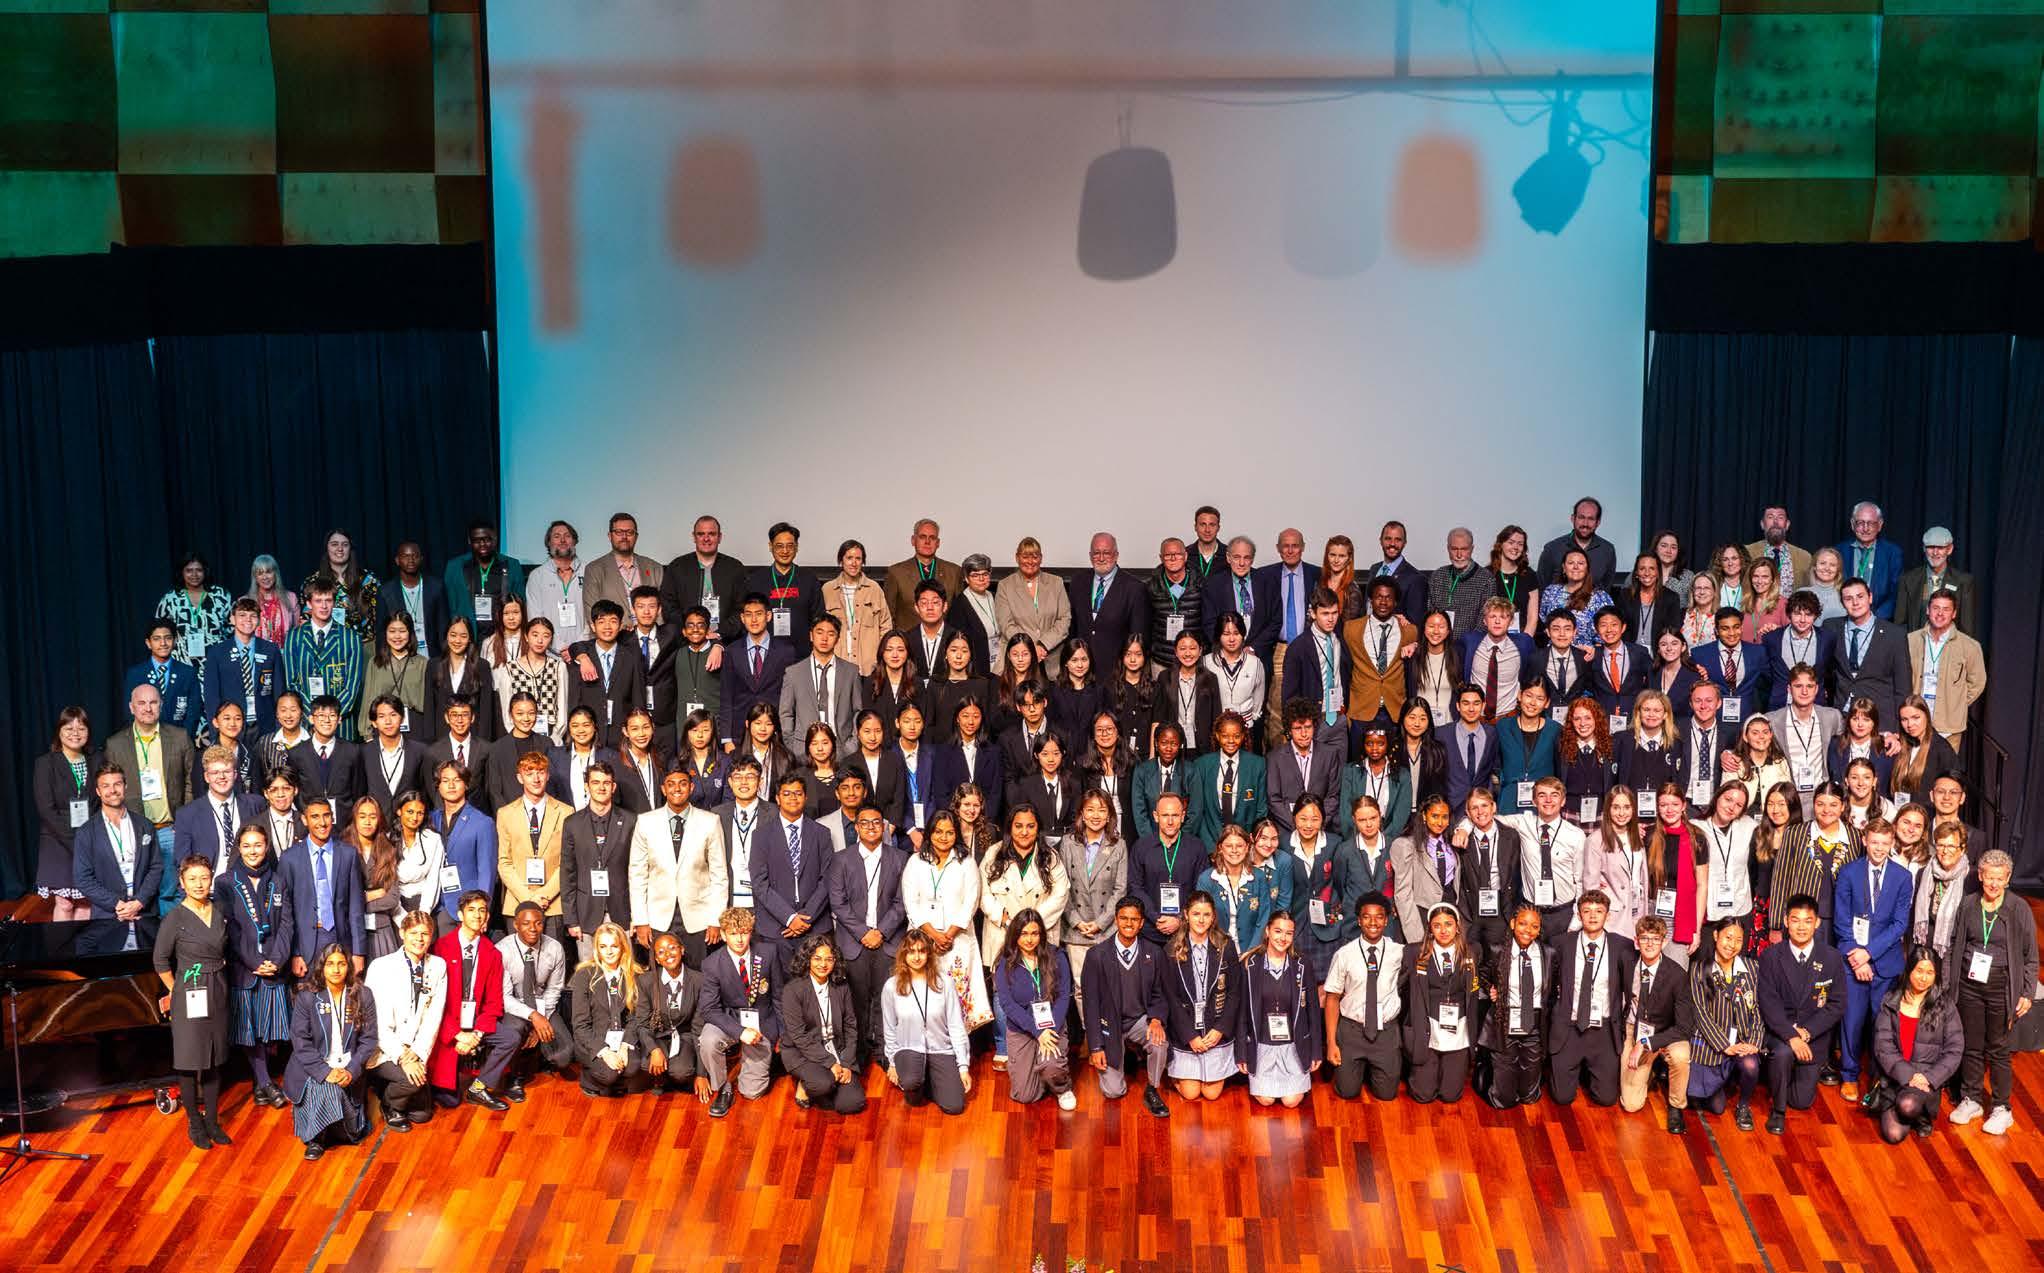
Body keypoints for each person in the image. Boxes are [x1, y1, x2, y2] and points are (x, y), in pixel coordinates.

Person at [1947, 850, 2037, 1136]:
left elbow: (2030, 955)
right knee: (1971, 1045)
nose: (1994, 884)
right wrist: (1951, 983)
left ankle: (2001, 1108)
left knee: (1998, 1048)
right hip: (1969, 985)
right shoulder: (1969, 904)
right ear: (1981, 876)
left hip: (2002, 986)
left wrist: (2027, 992)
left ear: (2008, 878)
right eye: (1989, 878)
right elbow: (1955, 944)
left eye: (2000, 878)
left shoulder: (2018, 908)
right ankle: (1971, 1099)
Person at [154, 855, 234, 1150]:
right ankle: (194, 1123)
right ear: (182, 883)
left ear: (211, 878)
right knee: (189, 1062)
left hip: (218, 989)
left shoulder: (220, 910)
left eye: (204, 878)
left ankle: (212, 1121)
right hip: (190, 993)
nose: (199, 884)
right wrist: (176, 990)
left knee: (214, 1060)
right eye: (192, 879)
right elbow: (160, 960)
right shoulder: (174, 919)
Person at [1831, 818, 1913, 1102]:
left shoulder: (1903, 877)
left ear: (1892, 844)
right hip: (1852, 961)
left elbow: (1900, 924)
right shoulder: (1848, 873)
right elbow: (1841, 921)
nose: (1879, 848)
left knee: (1882, 1024)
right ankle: (1849, 1076)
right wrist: (1858, 957)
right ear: (1865, 841)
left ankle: (1879, 1078)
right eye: (1874, 842)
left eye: (1884, 843)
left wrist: (1869, 953)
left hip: (1885, 963)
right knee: (1852, 1021)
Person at [828, 803, 908, 1069]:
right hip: (854, 943)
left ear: (883, 826)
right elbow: (838, 903)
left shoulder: (900, 858)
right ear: (856, 827)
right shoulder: (841, 859)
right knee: (856, 1001)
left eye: (876, 822)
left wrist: (881, 932)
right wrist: (864, 933)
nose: (871, 827)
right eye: (864, 823)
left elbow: (902, 902)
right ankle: (857, 1053)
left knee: (886, 1000)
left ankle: (886, 1052)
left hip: (888, 941)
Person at [1757, 893, 1845, 1134]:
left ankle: (1778, 1076)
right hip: (1781, 1032)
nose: (1801, 927)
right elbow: (1768, 1003)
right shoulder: (1771, 956)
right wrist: (1791, 1036)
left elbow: (1836, 1004)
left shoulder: (1832, 958)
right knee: (1783, 1053)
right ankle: (1778, 1111)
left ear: (1817, 923)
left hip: (1812, 1037)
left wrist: (1807, 1032)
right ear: (1786, 921)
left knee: (1802, 1101)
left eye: (1808, 921)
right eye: (1795, 920)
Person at [902, 811, 995, 1034]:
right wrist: (934, 935)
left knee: (958, 1000)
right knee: (924, 998)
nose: (943, 837)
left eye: (950, 832)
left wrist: (948, 935)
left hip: (958, 940)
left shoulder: (967, 862)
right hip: (923, 941)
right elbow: (910, 902)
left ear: (957, 834)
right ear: (930, 833)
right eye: (938, 832)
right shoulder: (915, 862)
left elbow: (971, 902)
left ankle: (958, 1049)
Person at [285, 941, 378, 1160]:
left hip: (348, 1068)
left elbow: (369, 1039)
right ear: (322, 967)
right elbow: (300, 1041)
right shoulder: (307, 996)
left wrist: (352, 1071)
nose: (336, 969)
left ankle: (328, 1131)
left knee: (351, 1129)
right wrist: (325, 1072)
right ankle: (317, 1139)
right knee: (327, 1088)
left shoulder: (363, 995)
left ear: (349, 967)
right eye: (330, 964)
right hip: (314, 1068)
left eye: (341, 964)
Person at [108, 682, 195, 912]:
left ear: (161, 705)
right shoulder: (115, 744)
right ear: (131, 707)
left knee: (171, 891)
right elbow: (111, 788)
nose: (148, 708)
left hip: (170, 829)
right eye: (142, 703)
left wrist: (183, 821)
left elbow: (191, 780)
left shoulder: (179, 737)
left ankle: (171, 933)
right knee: (137, 893)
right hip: (133, 830)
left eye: (153, 702)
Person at [1547, 890, 1633, 1106]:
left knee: (1606, 1099)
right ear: (1578, 915)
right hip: (1570, 1027)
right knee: (1562, 1097)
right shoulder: (1561, 943)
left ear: (1608, 916)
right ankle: (1576, 1068)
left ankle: (1589, 1070)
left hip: (1603, 1029)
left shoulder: (1622, 946)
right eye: (1587, 911)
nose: (1593, 916)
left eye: (1599, 911)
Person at [429, 890, 513, 1109]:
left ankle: (479, 1088)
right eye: (471, 910)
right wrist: (457, 1035)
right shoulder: (440, 948)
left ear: (487, 916)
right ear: (460, 914)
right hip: (447, 1022)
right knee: (449, 1102)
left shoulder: (492, 953)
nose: (477, 915)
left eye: (482, 910)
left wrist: (476, 1035)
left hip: (475, 1021)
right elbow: (433, 1004)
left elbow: (494, 1002)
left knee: (510, 1038)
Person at [1869, 947, 1963, 1142]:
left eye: (1930, 973)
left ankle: (1920, 1115)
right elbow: (1883, 1046)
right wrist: (1908, 1075)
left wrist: (1928, 1078)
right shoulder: (1891, 1001)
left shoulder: (1945, 1006)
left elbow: (1954, 1050)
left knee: (1908, 1105)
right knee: (1893, 1135)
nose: (1923, 978)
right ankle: (1912, 1113)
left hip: (1925, 1080)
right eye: (1919, 971)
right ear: (1909, 970)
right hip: (1895, 1076)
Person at [363, 910, 445, 1130]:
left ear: (431, 937)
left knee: (422, 1114)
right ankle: (389, 1104)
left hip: (415, 1050)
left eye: (425, 934)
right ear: (402, 933)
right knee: (410, 1082)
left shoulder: (438, 966)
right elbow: (376, 1024)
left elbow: (433, 1017)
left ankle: (389, 1089)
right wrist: (402, 1056)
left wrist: (417, 1052)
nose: (419, 939)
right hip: (385, 1048)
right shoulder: (381, 966)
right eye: (414, 933)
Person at [1322, 892, 1406, 1101]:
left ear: (1386, 920)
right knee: (1347, 1092)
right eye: (1367, 917)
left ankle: (1372, 1069)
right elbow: (1332, 998)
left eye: (1379, 917)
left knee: (1387, 1094)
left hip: (1385, 1032)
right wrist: (1331, 1043)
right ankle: (1357, 1070)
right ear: (1359, 920)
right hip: (1352, 1030)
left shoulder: (1399, 953)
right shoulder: (1344, 954)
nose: (1373, 922)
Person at [698, 907, 783, 1114]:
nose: (739, 939)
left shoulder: (768, 953)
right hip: (731, 1021)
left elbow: (779, 996)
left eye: (744, 932)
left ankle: (755, 1061)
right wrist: (740, 1032)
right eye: (733, 933)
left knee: (752, 1092)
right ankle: (723, 1087)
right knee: (708, 1040)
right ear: (723, 934)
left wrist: (782, 1033)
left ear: (751, 932)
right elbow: (709, 1009)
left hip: (763, 1022)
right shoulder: (712, 964)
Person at [1232, 912, 1321, 1107]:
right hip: (1262, 1046)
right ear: (1267, 931)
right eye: (1278, 931)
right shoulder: (1249, 964)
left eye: (1289, 933)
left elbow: (1313, 1011)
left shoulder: (1303, 964)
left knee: (1291, 1102)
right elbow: (1241, 1014)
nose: (1283, 938)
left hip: (1293, 1046)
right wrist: (1241, 1053)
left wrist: (1316, 1051)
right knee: (1266, 1100)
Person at [487, 900, 574, 1097]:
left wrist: (540, 1017)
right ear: (516, 925)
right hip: (514, 1006)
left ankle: (540, 1057)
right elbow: (504, 996)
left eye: (538, 923)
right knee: (515, 1030)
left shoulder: (554, 948)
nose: (533, 928)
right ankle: (514, 1076)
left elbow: (554, 989)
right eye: (526, 923)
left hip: (543, 1004)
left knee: (564, 1056)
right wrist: (533, 1016)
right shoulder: (502, 950)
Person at [990, 910, 1075, 1109]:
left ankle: (1062, 1087)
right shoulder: (1005, 962)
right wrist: (1037, 1032)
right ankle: (1042, 1072)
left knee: (1051, 1066)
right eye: (1024, 934)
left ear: (1041, 934)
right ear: (1015, 935)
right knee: (1025, 1095)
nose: (1029, 939)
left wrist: (1049, 1030)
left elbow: (1064, 996)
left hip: (1051, 1025)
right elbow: (1007, 1004)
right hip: (1022, 1029)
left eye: (1034, 933)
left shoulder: (1057, 956)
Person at [882, 930, 974, 1115]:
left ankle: (932, 1082)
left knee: (954, 1106)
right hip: (909, 1049)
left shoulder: (945, 983)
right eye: (911, 951)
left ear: (929, 953)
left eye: (922, 951)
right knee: (912, 1090)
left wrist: (963, 1067)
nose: (916, 957)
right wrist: (892, 1062)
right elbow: (890, 1028)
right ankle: (919, 1081)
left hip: (940, 1049)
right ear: (903, 954)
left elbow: (956, 1026)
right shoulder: (891, 986)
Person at [1160, 892, 1240, 1102]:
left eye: (1206, 914)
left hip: (1215, 1029)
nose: (1201, 920)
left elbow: (1234, 993)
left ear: (1213, 917)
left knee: (1212, 1094)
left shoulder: (1226, 946)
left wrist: (1220, 1029)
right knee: (1191, 1093)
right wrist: (1190, 1036)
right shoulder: (1171, 949)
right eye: (1196, 914)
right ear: (1186, 915)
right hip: (1187, 1031)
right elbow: (1171, 999)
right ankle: (1176, 1074)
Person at [1619, 915, 1696, 1132]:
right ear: (1636, 941)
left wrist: (1646, 1043)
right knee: (1631, 1105)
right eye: (1645, 938)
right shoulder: (1627, 964)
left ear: (1664, 942)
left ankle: (1676, 1105)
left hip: (1667, 1031)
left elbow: (1684, 1027)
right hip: (1635, 1028)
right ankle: (1650, 1072)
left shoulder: (1677, 975)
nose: (1650, 944)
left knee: (1681, 1056)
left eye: (1655, 939)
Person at [1687, 917, 1765, 1129]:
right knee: (1716, 1106)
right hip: (1713, 1043)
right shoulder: (1698, 969)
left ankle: (1743, 1105)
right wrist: (1724, 1045)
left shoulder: (1752, 968)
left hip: (1743, 1041)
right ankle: (1723, 1082)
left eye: (1738, 940)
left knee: (1750, 1064)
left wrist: (1754, 1042)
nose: (1732, 945)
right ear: (1715, 936)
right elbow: (1700, 1013)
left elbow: (1759, 1008)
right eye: (1728, 938)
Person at [778, 935, 867, 1114]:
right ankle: (807, 1083)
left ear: (835, 961)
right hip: (803, 1052)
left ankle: (825, 1083)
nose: (823, 964)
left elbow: (850, 1026)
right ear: (807, 959)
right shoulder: (792, 990)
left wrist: (846, 1064)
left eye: (829, 959)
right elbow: (799, 1036)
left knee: (852, 1104)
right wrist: (831, 1063)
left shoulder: (841, 987)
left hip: (836, 1048)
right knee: (822, 1084)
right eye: (817, 958)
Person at [280, 797, 365, 978]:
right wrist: (295, 953)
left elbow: (356, 907)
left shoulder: (348, 854)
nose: (322, 822)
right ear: (305, 820)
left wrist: (358, 951)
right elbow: (286, 911)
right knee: (308, 993)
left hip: (340, 938)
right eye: (315, 817)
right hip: (306, 944)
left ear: (332, 818)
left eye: (326, 815)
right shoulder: (289, 858)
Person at [1406, 903, 1481, 1103]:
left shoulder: (1472, 953)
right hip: (1428, 1027)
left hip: (1458, 1028)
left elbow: (1483, 980)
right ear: (1430, 929)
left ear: (1457, 927)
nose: (1443, 930)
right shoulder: (1414, 953)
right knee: (1423, 1095)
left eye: (1448, 924)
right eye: (1437, 925)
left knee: (1450, 1095)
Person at [1476, 902, 1549, 1107]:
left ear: (1539, 929)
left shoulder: (1547, 954)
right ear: (1513, 923)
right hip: (1505, 1021)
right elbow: (1482, 974)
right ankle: (1486, 1074)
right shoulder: (1497, 951)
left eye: (1534, 926)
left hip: (1533, 1023)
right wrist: (1490, 987)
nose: (1528, 930)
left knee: (1529, 1096)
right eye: (1523, 923)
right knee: (1504, 1100)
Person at [1495, 776, 1584, 940]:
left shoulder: (1576, 835)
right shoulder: (1524, 823)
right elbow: (1486, 819)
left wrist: (1576, 920)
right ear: (1534, 801)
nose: (1548, 800)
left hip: (1563, 914)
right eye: (1542, 795)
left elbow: (1580, 881)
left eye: (1554, 795)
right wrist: (1464, 828)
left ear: (1563, 801)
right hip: (1531, 913)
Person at [568, 920, 645, 1098]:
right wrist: (604, 1051)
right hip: (594, 1039)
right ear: (597, 949)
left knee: (631, 1068)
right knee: (609, 1074)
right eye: (603, 947)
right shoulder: (584, 975)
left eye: (614, 946)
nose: (609, 952)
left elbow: (636, 1018)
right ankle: (591, 1080)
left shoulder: (634, 975)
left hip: (622, 1037)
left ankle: (615, 1081)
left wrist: (625, 1045)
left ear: (623, 947)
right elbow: (580, 1025)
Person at [283, 579, 367, 741]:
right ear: (309, 603)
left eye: (328, 600)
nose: (323, 606)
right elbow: (292, 683)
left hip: (341, 723)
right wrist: (314, 715)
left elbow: (352, 687)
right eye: (318, 601)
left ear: (334, 603)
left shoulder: (350, 638)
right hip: (307, 722)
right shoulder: (294, 637)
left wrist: (330, 716)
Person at [1824, 578, 1911, 726]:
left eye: (1860, 596)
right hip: (1841, 717)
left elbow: (1903, 686)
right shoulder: (1831, 627)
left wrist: (1897, 727)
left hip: (1879, 718)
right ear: (1842, 603)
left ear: (1870, 597)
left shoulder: (1894, 634)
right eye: (1848, 599)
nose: (1855, 603)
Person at [1908, 591, 1986, 753]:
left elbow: (1977, 682)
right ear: (1928, 610)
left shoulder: (1970, 646)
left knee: (1944, 768)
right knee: (1912, 767)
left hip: (1948, 727)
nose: (1940, 613)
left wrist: (1957, 703)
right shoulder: (1910, 641)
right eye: (1936, 608)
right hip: (1913, 722)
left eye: (1946, 609)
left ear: (1954, 613)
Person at [199, 598, 284, 738]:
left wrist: (279, 728)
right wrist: (216, 734)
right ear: (232, 619)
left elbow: (279, 692)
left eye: (253, 616)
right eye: (242, 615)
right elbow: (211, 697)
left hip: (265, 726)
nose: (248, 620)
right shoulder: (217, 652)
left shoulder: (271, 650)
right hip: (231, 726)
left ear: (259, 620)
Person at [639, 930, 709, 1100]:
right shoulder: (646, 981)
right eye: (661, 952)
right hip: (659, 1035)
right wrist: (654, 1049)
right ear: (656, 959)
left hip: (685, 1036)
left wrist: (702, 1073)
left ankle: (678, 1076)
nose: (668, 954)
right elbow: (641, 1023)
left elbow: (699, 1028)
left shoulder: (699, 981)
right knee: (647, 1065)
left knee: (682, 1072)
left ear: (682, 950)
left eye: (672, 948)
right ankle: (661, 1079)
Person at [1201, 538, 1278, 689]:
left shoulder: (1267, 582)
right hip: (1223, 659)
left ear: (1252, 559)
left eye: (1246, 557)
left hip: (1259, 656)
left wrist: (1253, 648)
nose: (1241, 563)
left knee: (1258, 702)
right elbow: (1209, 623)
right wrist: (1229, 649)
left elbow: (1276, 620)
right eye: (1236, 557)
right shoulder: (1213, 584)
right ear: (1228, 558)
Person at [657, 514, 746, 643]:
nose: (706, 538)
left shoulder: (735, 568)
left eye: (712, 534)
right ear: (694, 537)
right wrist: (690, 630)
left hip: (726, 641)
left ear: (719, 537)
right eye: (701, 534)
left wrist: (721, 632)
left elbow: (742, 608)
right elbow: (668, 606)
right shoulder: (677, 567)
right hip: (686, 642)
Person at [814, 538, 888, 676]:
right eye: (849, 558)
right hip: (836, 662)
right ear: (841, 561)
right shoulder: (828, 590)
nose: (854, 563)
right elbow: (819, 627)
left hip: (868, 666)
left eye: (858, 558)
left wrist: (880, 658)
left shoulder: (874, 589)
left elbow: (885, 626)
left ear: (863, 561)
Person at [125, 619, 205, 738]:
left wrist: (183, 739)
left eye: (168, 638)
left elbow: (194, 711)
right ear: (148, 643)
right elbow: (129, 711)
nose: (163, 643)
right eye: (156, 639)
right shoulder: (136, 674)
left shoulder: (188, 673)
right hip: (145, 738)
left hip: (180, 740)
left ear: (175, 641)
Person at [882, 518, 963, 633]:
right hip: (908, 640)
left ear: (938, 543)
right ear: (913, 540)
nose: (927, 542)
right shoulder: (896, 573)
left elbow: (960, 614)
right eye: (922, 537)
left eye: (932, 538)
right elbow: (888, 615)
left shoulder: (954, 572)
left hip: (945, 640)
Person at [359, 614, 429, 747]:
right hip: (383, 724)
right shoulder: (376, 663)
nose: (397, 636)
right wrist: (366, 732)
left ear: (410, 633)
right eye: (392, 631)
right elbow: (368, 698)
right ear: (385, 633)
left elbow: (427, 703)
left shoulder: (422, 663)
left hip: (414, 726)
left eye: (402, 631)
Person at [156, 552, 235, 667]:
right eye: (189, 570)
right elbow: (159, 631)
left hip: (217, 662)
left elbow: (233, 628)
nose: (194, 574)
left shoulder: (221, 595)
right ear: (182, 572)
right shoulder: (170, 599)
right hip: (181, 663)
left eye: (199, 570)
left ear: (205, 571)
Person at [1761, 594, 1836, 711]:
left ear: (1815, 616)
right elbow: (1765, 674)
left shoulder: (1827, 638)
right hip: (1779, 706)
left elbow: (1831, 671)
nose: (1802, 620)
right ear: (1789, 614)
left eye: (1808, 614)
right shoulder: (1772, 638)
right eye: (1797, 614)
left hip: (1816, 707)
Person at [1494, 681, 1558, 817]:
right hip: (1509, 802)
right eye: (1529, 695)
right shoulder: (1503, 727)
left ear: (1547, 703)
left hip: (1543, 804)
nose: (1533, 703)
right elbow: (1495, 762)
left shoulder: (1555, 730)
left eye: (1540, 698)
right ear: (1519, 695)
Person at [1895, 526, 1976, 633]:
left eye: (1940, 548)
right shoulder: (1908, 579)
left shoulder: (1964, 582)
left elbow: (1966, 627)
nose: (1935, 552)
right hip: (1915, 641)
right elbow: (1899, 623)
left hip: (1950, 642)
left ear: (1949, 549)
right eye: (1931, 547)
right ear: (1924, 548)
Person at [1424, 528, 1495, 641]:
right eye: (1454, 549)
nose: (1459, 554)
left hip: (1470, 645)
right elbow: (1429, 615)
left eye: (1464, 549)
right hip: (1438, 642)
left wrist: (1469, 644)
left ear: (1472, 549)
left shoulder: (1486, 579)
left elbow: (1484, 621)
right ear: (1448, 549)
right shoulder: (1437, 576)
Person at [1836, 501, 1903, 619]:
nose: (1865, 528)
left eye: (1871, 523)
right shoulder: (1839, 551)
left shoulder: (1893, 553)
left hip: (1879, 619)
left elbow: (1896, 593)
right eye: (1860, 523)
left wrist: (1874, 619)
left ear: (1880, 525)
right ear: (1852, 524)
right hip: (1844, 617)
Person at [1536, 497, 1619, 590]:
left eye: (1591, 519)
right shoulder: (1552, 548)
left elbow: (1606, 588)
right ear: (1573, 518)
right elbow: (1542, 587)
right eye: (1581, 517)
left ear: (1598, 522)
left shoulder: (1608, 550)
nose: (1585, 524)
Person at [1366, 521, 1427, 625]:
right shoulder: (1374, 569)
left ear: (1405, 543)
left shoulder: (1416, 579)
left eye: (1398, 539)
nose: (1392, 544)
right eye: (1388, 538)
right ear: (1381, 541)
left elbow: (1416, 623)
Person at [1489, 525, 1544, 634]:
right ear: (1500, 544)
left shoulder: (1530, 575)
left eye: (1520, 544)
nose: (1515, 547)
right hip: (1492, 637)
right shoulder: (1487, 575)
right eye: (1511, 542)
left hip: (1522, 635)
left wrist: (1525, 640)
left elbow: (1532, 617)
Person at [1745, 506, 1810, 592]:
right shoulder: (1747, 552)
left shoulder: (1805, 558)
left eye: (1780, 517)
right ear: (1762, 524)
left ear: (1787, 524)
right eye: (1770, 517)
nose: (1775, 522)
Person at [245, 554, 301, 646]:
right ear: (255, 577)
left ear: (275, 574)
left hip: (284, 652)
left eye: (268, 572)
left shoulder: (291, 598)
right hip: (256, 653)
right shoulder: (245, 601)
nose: (265, 577)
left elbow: (298, 631)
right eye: (260, 573)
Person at [1805, 548, 1848, 622]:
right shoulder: (1802, 593)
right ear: (1814, 567)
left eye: (1832, 565)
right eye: (1822, 563)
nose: (1827, 568)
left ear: (1838, 570)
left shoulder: (1846, 593)